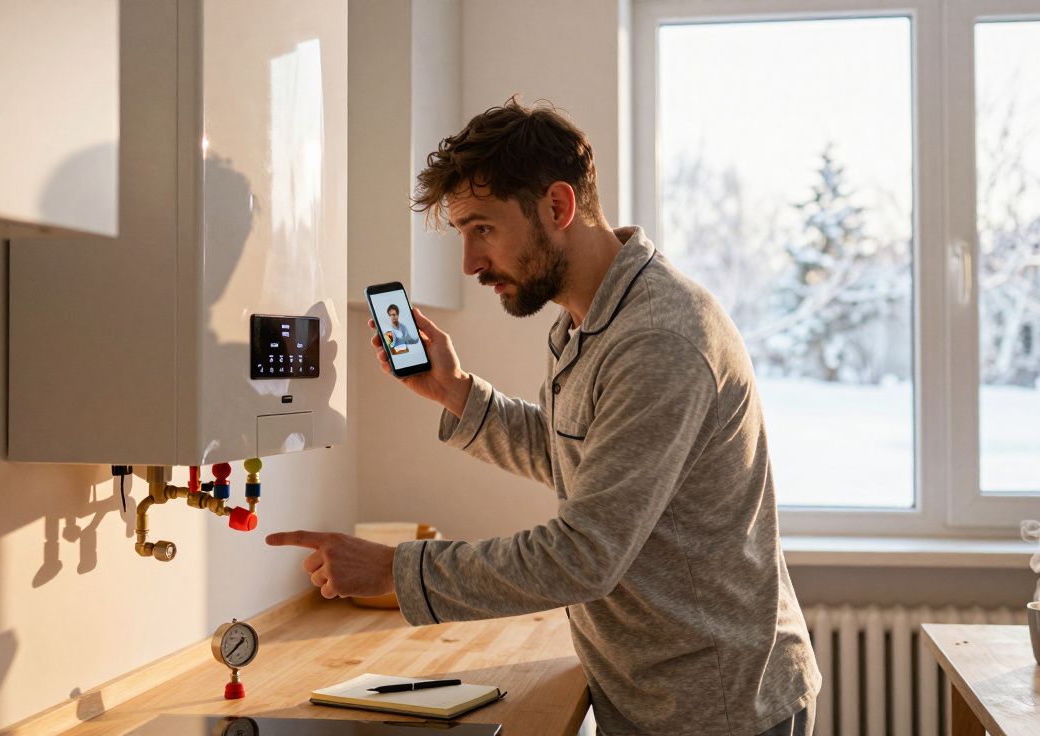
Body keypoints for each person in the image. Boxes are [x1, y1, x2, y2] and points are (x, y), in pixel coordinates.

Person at [266, 98, 820, 736]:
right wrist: (457, 392)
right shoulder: (587, 320)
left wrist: (394, 570)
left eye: (483, 229)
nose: (470, 263)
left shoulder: (660, 339)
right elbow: (581, 457)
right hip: (651, 687)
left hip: (716, 706)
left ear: (557, 207)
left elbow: (583, 555)